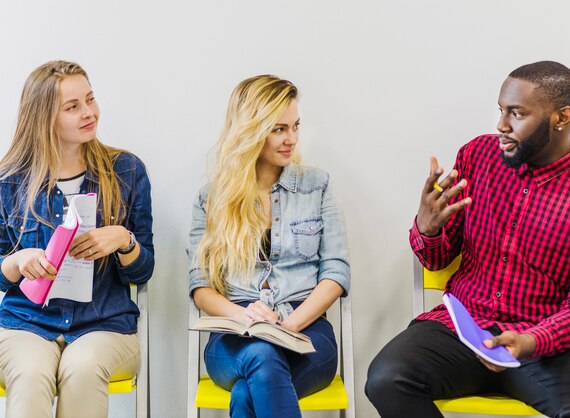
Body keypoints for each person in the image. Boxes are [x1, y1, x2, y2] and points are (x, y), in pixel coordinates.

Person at [366, 61, 570, 417]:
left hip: (545, 342)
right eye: (501, 111)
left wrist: (530, 341)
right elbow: (438, 260)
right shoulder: (477, 156)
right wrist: (428, 230)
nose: (501, 125)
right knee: (386, 378)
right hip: (463, 329)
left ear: (561, 118)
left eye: (516, 114)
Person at [188, 75, 350, 418]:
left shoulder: (317, 186)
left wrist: (288, 327)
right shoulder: (212, 199)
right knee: (261, 356)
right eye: (278, 129)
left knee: (249, 390)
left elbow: (335, 274)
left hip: (307, 332)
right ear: (250, 131)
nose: (291, 139)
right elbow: (201, 287)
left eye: (295, 126)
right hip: (234, 337)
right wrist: (244, 316)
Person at [0, 61, 154, 418]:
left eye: (90, 99)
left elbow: (143, 273)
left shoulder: (127, 171)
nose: (89, 113)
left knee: (82, 369)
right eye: (72, 107)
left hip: (106, 324)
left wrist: (123, 240)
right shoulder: (9, 183)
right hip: (26, 323)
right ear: (43, 119)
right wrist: (18, 261)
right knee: (30, 372)